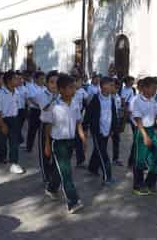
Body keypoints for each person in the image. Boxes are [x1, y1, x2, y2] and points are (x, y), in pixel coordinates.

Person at [44, 74, 87, 214]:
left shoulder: (75, 103)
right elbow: (48, 126)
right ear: (61, 89)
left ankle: (51, 188)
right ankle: (72, 201)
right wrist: (47, 144)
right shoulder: (53, 106)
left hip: (70, 142)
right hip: (58, 143)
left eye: (74, 87)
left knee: (61, 169)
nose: (74, 90)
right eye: (70, 88)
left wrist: (82, 136)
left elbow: (78, 121)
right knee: (67, 172)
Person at [132, 77, 157, 195]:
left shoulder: (152, 100)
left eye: (156, 89)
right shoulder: (137, 100)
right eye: (153, 88)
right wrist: (145, 136)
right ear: (145, 88)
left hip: (152, 131)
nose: (154, 91)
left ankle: (150, 183)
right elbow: (137, 119)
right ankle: (137, 186)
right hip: (142, 131)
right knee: (140, 160)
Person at [84, 76, 116, 185]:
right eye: (111, 85)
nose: (113, 87)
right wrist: (85, 129)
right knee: (103, 154)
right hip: (97, 131)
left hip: (107, 130)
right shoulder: (95, 99)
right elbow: (88, 115)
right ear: (103, 86)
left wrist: (113, 128)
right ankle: (107, 177)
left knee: (98, 150)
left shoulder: (111, 99)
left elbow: (114, 114)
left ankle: (92, 168)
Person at [0, 71, 26, 174]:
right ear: (9, 81)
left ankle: (14, 163)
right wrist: (2, 124)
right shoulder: (2, 93)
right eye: (15, 79)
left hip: (14, 119)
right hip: (4, 120)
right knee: (2, 142)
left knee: (14, 143)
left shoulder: (16, 92)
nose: (18, 80)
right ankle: (0, 156)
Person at [36, 70, 59, 183]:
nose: (54, 85)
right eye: (52, 82)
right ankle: (46, 176)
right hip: (45, 125)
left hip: (57, 126)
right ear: (47, 83)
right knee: (45, 152)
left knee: (56, 151)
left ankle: (54, 173)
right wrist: (54, 98)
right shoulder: (42, 94)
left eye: (57, 82)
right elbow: (44, 108)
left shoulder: (61, 95)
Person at [26, 71, 46, 153]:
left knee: (43, 130)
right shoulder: (31, 87)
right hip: (35, 111)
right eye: (41, 79)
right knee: (32, 130)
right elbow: (31, 98)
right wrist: (39, 105)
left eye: (43, 79)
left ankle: (43, 146)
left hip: (43, 111)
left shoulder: (45, 88)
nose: (43, 80)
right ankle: (29, 147)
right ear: (36, 79)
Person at [72, 74, 89, 167]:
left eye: (80, 82)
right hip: (69, 119)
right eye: (78, 82)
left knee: (78, 139)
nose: (80, 84)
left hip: (78, 117)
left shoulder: (82, 91)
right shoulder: (68, 92)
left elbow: (86, 102)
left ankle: (80, 160)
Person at [112, 78, 124, 166]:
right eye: (115, 87)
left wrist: (121, 122)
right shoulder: (107, 97)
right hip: (108, 121)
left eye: (118, 88)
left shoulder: (117, 97)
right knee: (102, 142)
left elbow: (119, 109)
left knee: (116, 140)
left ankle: (115, 158)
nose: (116, 89)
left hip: (116, 121)